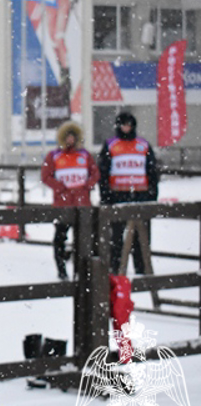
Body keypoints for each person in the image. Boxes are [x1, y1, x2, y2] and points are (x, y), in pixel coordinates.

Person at [98, 111, 159, 275]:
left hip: (140, 195)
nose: (126, 128)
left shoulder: (143, 145)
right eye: (123, 124)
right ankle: (115, 268)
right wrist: (106, 196)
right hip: (117, 196)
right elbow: (103, 172)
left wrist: (152, 196)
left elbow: (152, 171)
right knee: (116, 236)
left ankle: (142, 267)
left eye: (129, 125)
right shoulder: (111, 144)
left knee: (142, 236)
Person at [41, 121, 99, 280]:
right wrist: (61, 188)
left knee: (84, 238)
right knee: (60, 238)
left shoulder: (85, 155)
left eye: (73, 137)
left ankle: (81, 272)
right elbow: (46, 176)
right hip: (63, 204)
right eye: (68, 137)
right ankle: (61, 269)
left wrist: (86, 186)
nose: (70, 140)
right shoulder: (54, 156)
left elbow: (95, 174)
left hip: (82, 203)